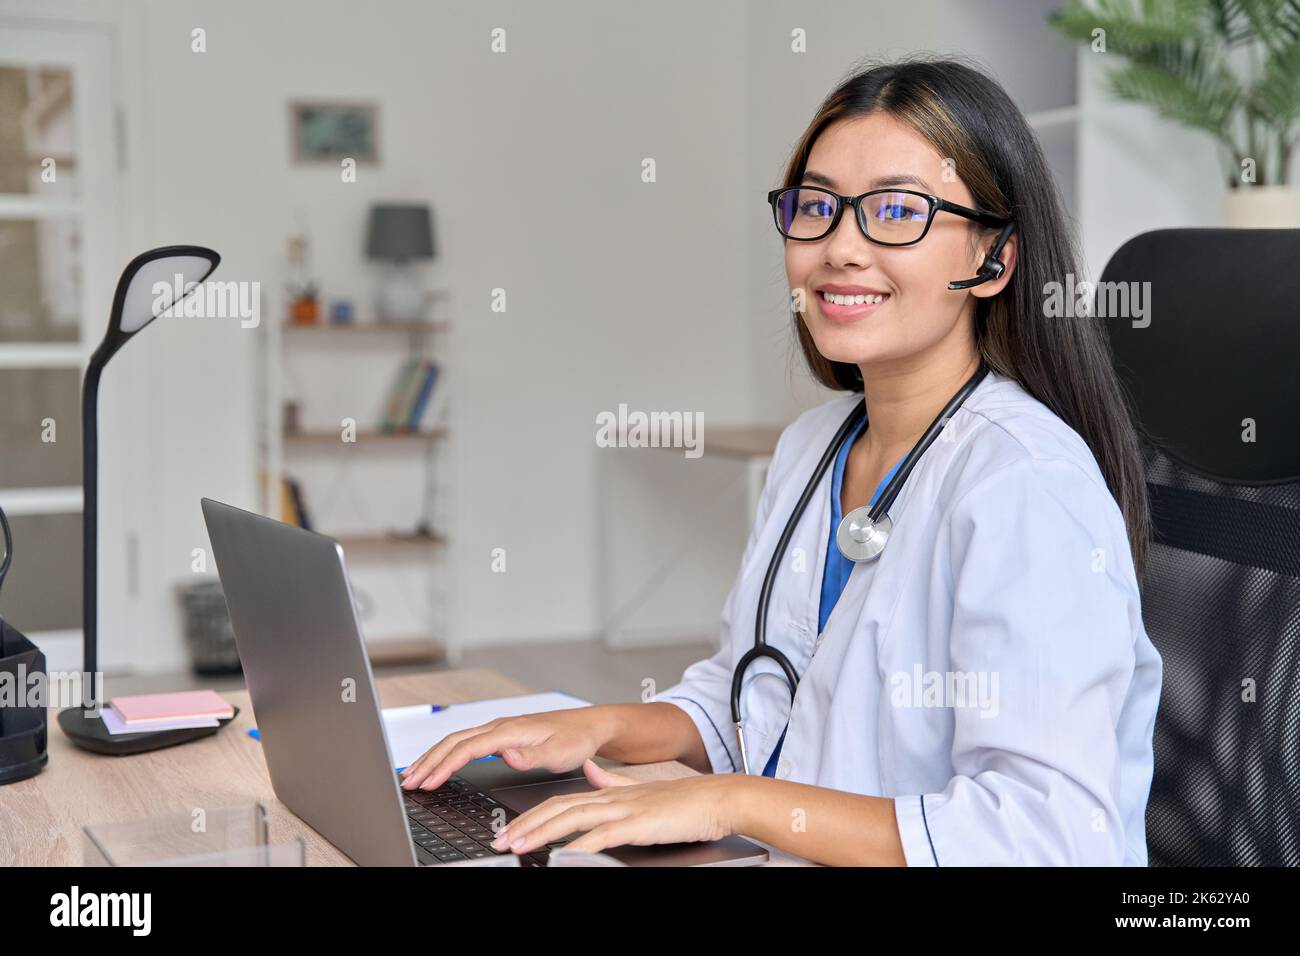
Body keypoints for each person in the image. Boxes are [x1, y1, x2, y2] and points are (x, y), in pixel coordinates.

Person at [400, 55, 1163, 866]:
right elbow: (755, 706)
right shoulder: (815, 447)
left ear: (993, 259)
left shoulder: (1025, 484)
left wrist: (731, 801)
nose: (840, 247)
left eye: (897, 211)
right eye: (818, 207)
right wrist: (597, 725)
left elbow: (1043, 837)